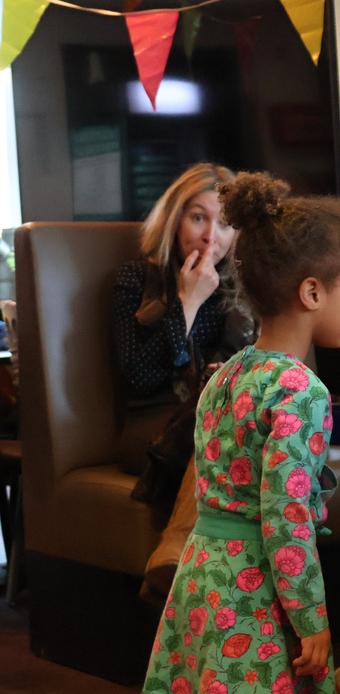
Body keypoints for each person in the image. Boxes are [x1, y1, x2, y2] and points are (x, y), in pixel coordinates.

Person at [141, 171, 340, 694]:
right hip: (252, 589)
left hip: (201, 575)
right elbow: (286, 515)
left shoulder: (226, 374)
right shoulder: (301, 389)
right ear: (312, 292)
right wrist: (310, 616)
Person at [111, 163, 257, 600]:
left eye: (224, 224)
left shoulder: (243, 287)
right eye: (198, 218)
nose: (211, 236)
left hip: (215, 420)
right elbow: (138, 378)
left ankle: (187, 565)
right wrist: (187, 303)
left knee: (232, 417)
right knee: (224, 422)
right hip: (149, 427)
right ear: (174, 220)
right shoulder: (135, 279)